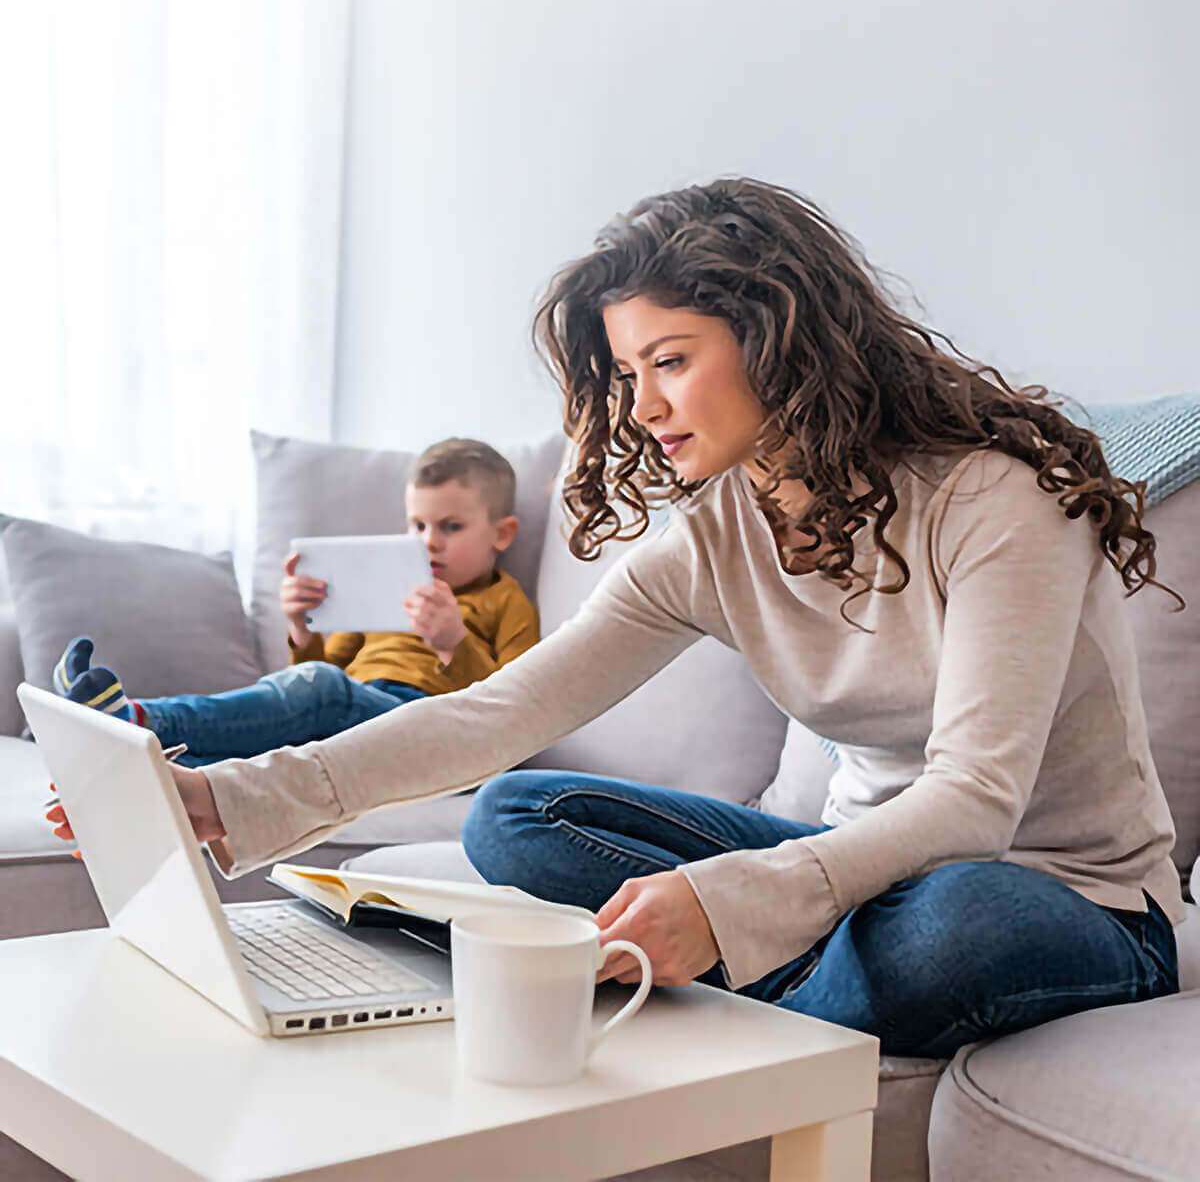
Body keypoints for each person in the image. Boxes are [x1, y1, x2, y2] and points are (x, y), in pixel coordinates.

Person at [47, 178, 1185, 1059]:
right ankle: (779, 975)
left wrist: (741, 900)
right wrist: (233, 797)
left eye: (671, 362)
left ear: (780, 338)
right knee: (516, 816)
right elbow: (501, 711)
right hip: (850, 874)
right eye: (628, 372)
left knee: (952, 930)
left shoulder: (995, 501)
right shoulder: (715, 535)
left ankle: (735, 992)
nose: (640, 409)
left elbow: (974, 801)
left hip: (1058, 893)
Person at [50, 437, 538, 770]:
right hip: (354, 716)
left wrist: (454, 644)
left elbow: (514, 713)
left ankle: (134, 721)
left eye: (450, 527)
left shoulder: (503, 600)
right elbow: (321, 673)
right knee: (265, 755)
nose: (429, 543)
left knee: (323, 688)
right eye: (418, 525)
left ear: (502, 533)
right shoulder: (392, 581)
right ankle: (132, 762)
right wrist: (303, 630)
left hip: (431, 727)